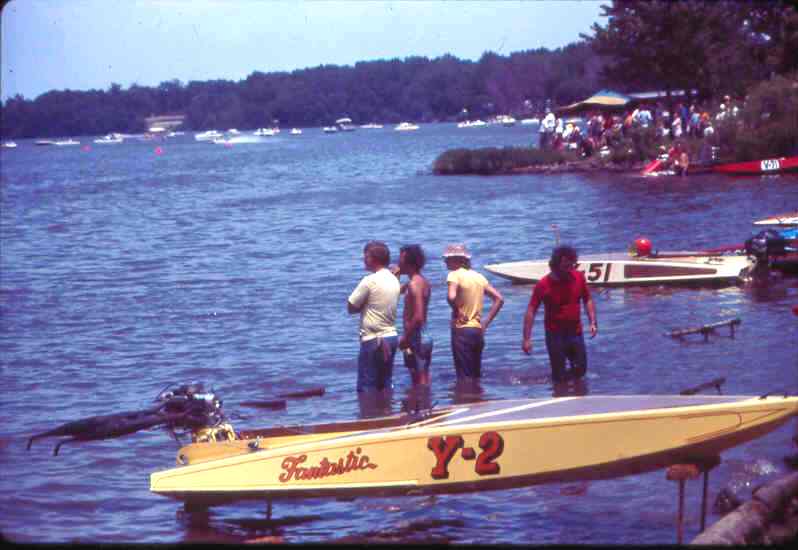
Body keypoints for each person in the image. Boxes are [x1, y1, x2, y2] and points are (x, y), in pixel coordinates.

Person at [522, 245, 597, 384]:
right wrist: (527, 339)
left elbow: (588, 299)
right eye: (565, 266)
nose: (569, 270)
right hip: (555, 335)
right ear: (555, 265)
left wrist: (592, 322)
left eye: (571, 265)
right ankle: (560, 393)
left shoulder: (578, 277)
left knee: (581, 370)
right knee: (558, 375)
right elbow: (531, 310)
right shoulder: (543, 284)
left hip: (576, 332)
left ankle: (576, 394)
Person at [444, 243, 504, 380]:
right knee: (475, 373)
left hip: (462, 329)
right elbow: (499, 299)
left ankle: (466, 399)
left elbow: (451, 296)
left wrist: (458, 310)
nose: (445, 261)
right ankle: (478, 398)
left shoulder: (454, 275)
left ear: (457, 260)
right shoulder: (479, 277)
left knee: (464, 375)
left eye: (447, 258)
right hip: (477, 330)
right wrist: (485, 323)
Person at [347, 241, 400, 392]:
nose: (364, 259)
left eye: (366, 256)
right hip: (391, 337)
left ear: (374, 259)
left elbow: (351, 307)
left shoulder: (369, 281)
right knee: (385, 383)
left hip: (373, 340)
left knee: (367, 386)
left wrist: (364, 306)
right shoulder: (393, 279)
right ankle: (387, 411)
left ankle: (371, 414)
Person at [395, 244, 433, 387]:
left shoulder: (414, 285)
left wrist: (405, 337)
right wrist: (396, 276)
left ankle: (423, 404)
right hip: (422, 335)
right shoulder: (420, 281)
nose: (398, 263)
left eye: (401, 260)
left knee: (419, 376)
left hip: (417, 336)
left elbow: (418, 316)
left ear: (408, 262)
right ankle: (423, 403)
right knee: (420, 373)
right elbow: (395, 292)